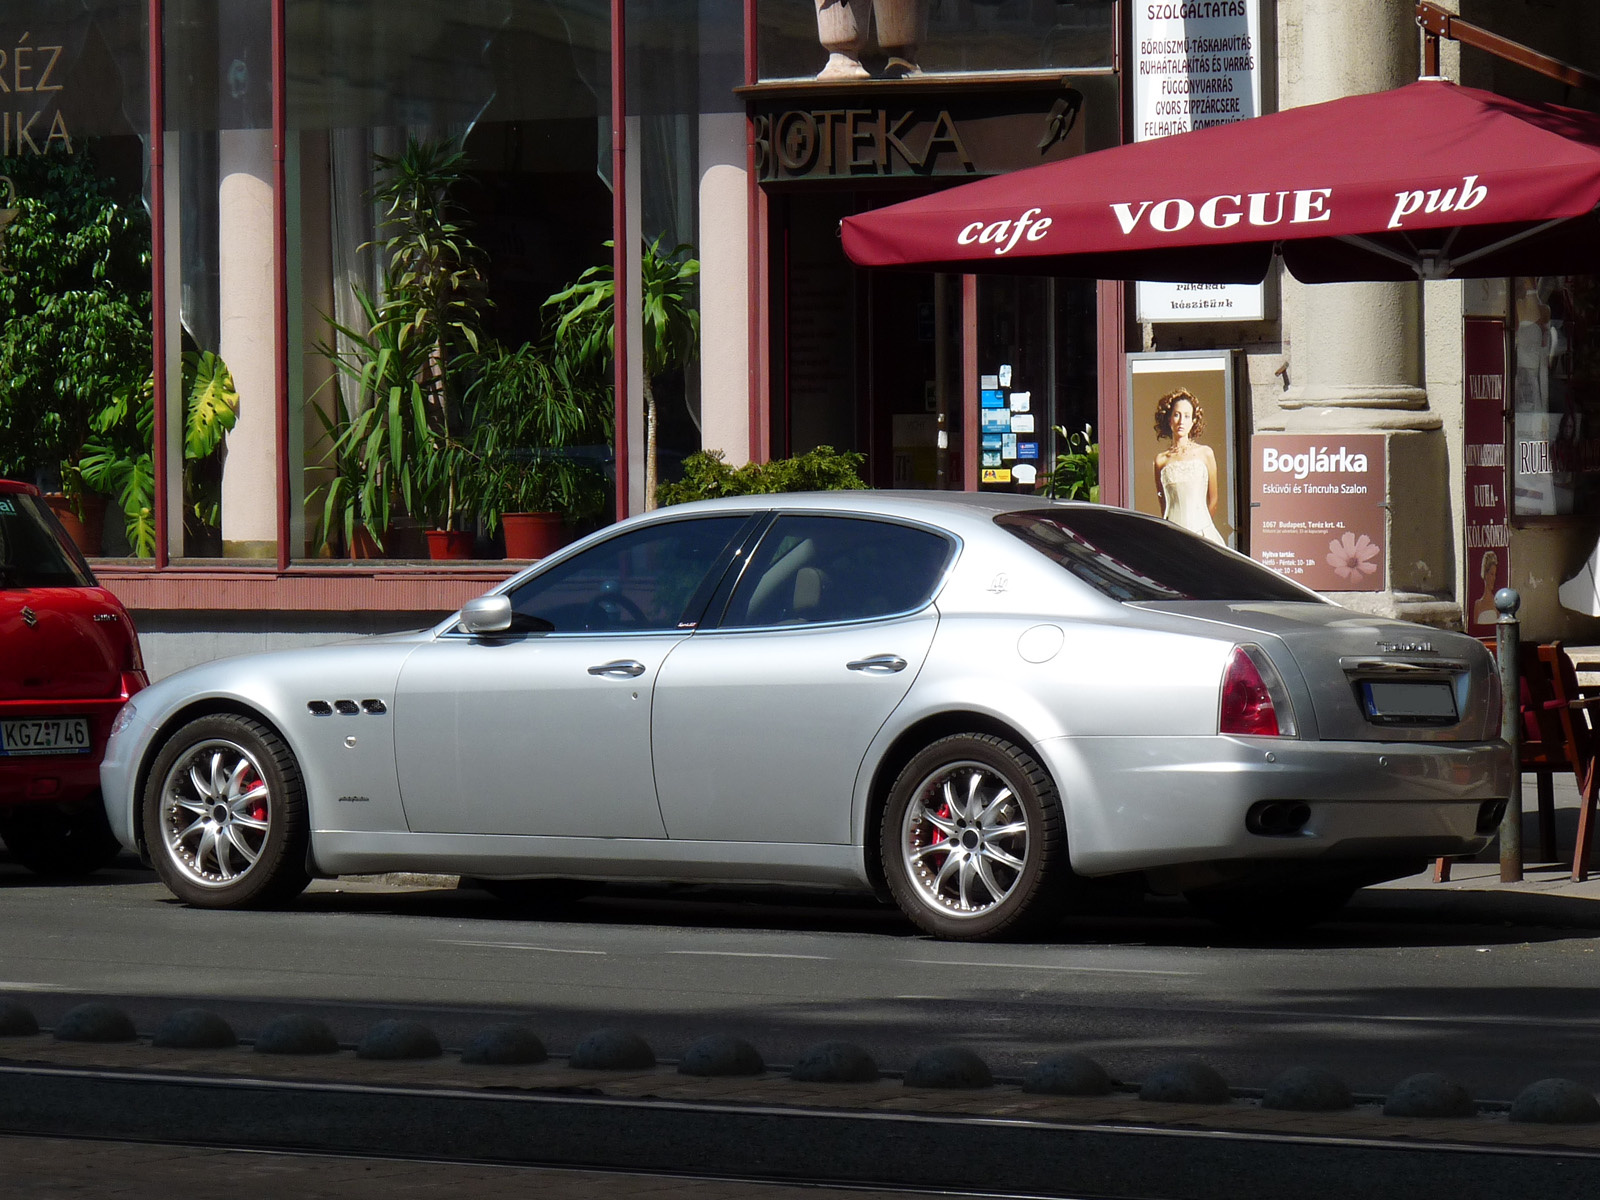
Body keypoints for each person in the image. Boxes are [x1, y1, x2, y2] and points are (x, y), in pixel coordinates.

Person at [1152, 388, 1224, 544]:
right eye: (1177, 415)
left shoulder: (1205, 453)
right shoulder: (1161, 460)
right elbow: (1164, 505)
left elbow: (1213, 500)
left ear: (1193, 422)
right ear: (1169, 419)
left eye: (1186, 416)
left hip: (1202, 534)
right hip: (1172, 536)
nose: (1181, 421)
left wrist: (1200, 530)